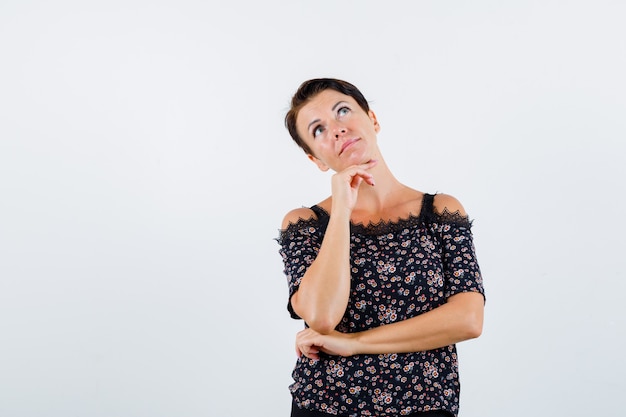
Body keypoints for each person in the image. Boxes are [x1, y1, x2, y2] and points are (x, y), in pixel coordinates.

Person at [276, 78, 485, 417]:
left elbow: (467, 319)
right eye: (318, 129)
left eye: (343, 111)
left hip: (424, 403)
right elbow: (322, 316)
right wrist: (342, 208)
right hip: (327, 405)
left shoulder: (440, 211)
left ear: (372, 119)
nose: (337, 130)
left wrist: (353, 343)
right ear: (316, 159)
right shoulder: (305, 224)